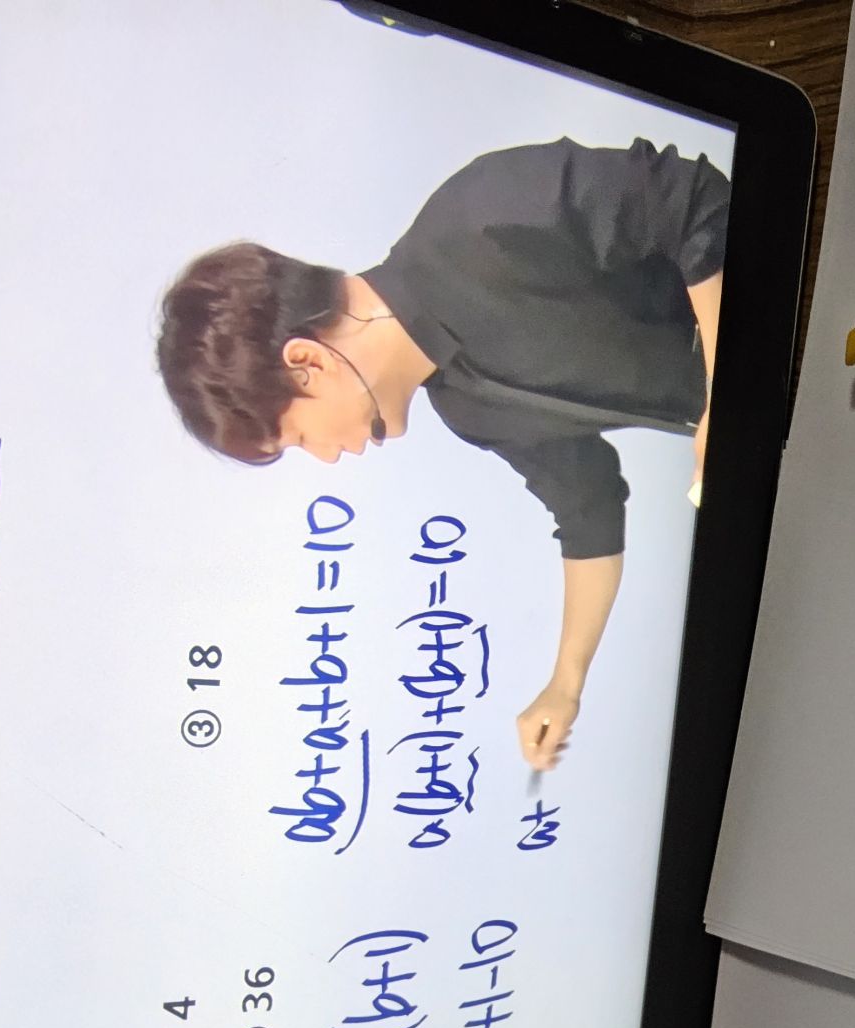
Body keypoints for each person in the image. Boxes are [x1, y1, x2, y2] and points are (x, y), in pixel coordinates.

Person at [157, 138, 728, 770]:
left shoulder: (480, 214)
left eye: (297, 437)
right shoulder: (466, 408)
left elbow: (696, 204)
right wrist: (566, 684)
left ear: (307, 363)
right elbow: (587, 507)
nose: (324, 458)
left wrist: (730, 393)